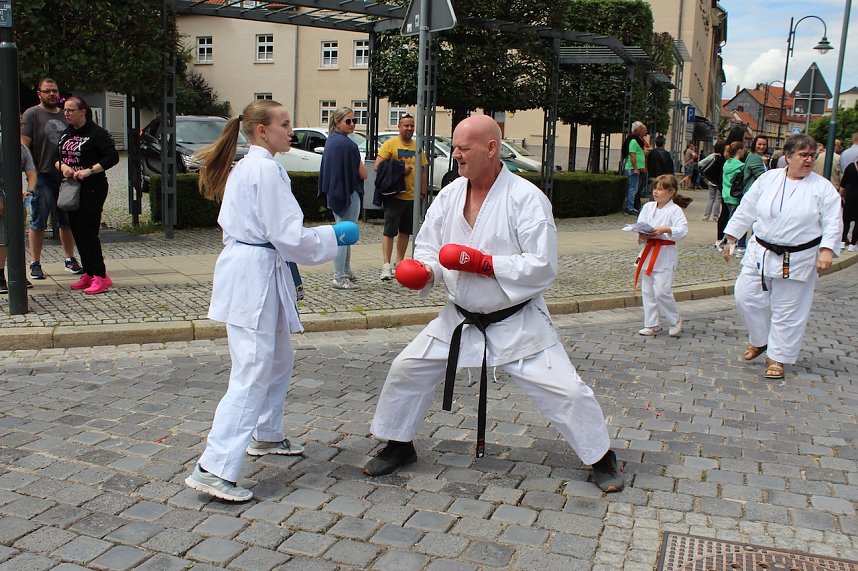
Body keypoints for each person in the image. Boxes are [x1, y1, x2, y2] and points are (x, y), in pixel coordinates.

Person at [362, 115, 624, 493]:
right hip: (460, 318)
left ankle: (602, 457)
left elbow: (543, 265)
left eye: (462, 148)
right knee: (407, 368)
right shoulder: (451, 194)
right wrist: (424, 271)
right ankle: (398, 444)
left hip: (517, 322)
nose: (455, 155)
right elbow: (431, 246)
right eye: (454, 147)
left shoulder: (526, 199)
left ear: (491, 148)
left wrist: (484, 264)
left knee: (566, 391)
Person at [184, 100, 359, 502]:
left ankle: (266, 434)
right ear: (262, 130)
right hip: (255, 274)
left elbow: (281, 235)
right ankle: (214, 465)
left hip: (258, 268)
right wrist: (333, 236)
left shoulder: (256, 165)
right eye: (284, 124)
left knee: (277, 357)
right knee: (253, 368)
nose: (290, 130)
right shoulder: (262, 168)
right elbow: (290, 237)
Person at [723, 134, 842, 380]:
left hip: (798, 257)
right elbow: (746, 208)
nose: (809, 160)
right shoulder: (768, 179)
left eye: (812, 155)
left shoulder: (822, 188)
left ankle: (778, 357)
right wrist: (732, 236)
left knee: (787, 310)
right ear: (788, 157)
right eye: (803, 155)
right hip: (761, 251)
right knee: (745, 296)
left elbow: (832, 220)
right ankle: (760, 339)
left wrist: (827, 250)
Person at [55, 97, 119, 295]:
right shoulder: (67, 133)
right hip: (72, 187)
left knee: (88, 232)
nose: (66, 114)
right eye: (65, 110)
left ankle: (101, 275)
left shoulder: (97, 134)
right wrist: (63, 167)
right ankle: (89, 273)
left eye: (70, 110)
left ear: (83, 111)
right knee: (77, 231)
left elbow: (112, 157)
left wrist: (90, 170)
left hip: (92, 188)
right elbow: (56, 158)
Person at [20, 77, 83, 280]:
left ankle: (69, 259)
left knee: (67, 220)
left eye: (54, 90)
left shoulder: (66, 114)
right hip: (43, 175)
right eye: (47, 91)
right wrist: (31, 174)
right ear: (39, 93)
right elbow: (24, 146)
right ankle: (35, 263)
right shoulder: (32, 114)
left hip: (65, 177)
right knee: (38, 220)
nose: (52, 94)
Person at [633, 175, 691, 337]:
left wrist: (666, 229)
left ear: (671, 192)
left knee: (661, 291)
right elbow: (641, 224)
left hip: (665, 254)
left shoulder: (675, 210)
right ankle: (652, 324)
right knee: (648, 291)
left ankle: (675, 319)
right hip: (648, 251)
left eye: (660, 189)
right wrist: (643, 234)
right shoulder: (648, 207)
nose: (656, 192)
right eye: (655, 188)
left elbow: (682, 231)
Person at [318, 107, 368, 290]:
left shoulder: (331, 141)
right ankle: (339, 277)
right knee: (344, 236)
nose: (352, 124)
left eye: (354, 120)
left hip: (336, 193)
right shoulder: (348, 145)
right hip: (348, 194)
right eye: (348, 121)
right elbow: (364, 174)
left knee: (344, 234)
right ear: (338, 122)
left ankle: (345, 271)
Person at [375, 114, 427, 281]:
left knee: (405, 231)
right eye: (406, 125)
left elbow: (423, 170)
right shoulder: (391, 144)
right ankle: (386, 265)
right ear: (399, 127)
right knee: (389, 231)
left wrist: (422, 193)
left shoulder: (418, 146)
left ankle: (400, 263)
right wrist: (399, 168)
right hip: (394, 196)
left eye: (412, 125)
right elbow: (378, 166)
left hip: (412, 197)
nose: (409, 128)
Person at [0, 133, 37, 294]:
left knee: (15, 237)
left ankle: (17, 273)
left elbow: (31, 173)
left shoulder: (22, 149)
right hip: (3, 195)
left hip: (14, 197)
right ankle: (1, 276)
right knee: (2, 238)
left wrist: (29, 191)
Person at [718, 142, 746, 254]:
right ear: (740, 150)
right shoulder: (740, 166)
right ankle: (724, 241)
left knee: (731, 218)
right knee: (734, 221)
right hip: (735, 196)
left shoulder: (727, 164)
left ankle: (727, 241)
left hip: (727, 195)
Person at [622, 121, 647, 215]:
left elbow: (639, 154)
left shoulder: (638, 141)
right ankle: (629, 208)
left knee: (635, 189)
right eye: (641, 128)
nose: (643, 131)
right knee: (632, 189)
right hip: (632, 169)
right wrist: (635, 168)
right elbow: (632, 155)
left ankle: (632, 207)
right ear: (636, 130)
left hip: (637, 168)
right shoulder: (633, 141)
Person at [698, 140, 725, 222]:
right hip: (720, 181)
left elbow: (700, 163)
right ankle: (715, 217)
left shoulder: (712, 156)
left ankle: (706, 216)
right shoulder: (723, 158)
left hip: (711, 180)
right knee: (718, 199)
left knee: (711, 199)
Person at [839, 153, 858, 252]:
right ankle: (853, 244)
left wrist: (840, 195)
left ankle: (842, 241)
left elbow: (843, 183)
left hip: (850, 195)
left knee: (846, 218)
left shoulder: (850, 167)